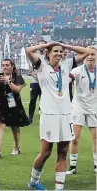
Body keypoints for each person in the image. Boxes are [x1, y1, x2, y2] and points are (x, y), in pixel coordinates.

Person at [25, 42, 91, 190]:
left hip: (66, 115)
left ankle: (59, 188)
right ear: (48, 53)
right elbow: (28, 50)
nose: (59, 53)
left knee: (63, 152)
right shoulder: (41, 65)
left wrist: (64, 45)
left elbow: (86, 51)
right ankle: (33, 182)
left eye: (61, 51)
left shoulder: (67, 65)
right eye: (55, 51)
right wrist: (48, 44)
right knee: (46, 152)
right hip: (49, 115)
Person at [66, 46, 97, 175]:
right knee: (74, 138)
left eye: (93, 54)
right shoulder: (78, 70)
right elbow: (69, 78)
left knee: (95, 139)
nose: (90, 57)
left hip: (94, 107)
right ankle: (72, 167)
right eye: (87, 54)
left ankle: (96, 166)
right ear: (83, 56)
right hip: (78, 107)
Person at [0, 59, 30, 157]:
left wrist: (8, 82)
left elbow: (17, 90)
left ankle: (16, 147)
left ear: (12, 66)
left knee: (14, 126)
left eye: (7, 65)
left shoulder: (17, 76)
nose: (5, 67)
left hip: (13, 104)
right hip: (1, 104)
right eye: (3, 65)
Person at [28, 40, 46, 123]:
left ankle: (45, 116)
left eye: (43, 45)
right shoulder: (34, 56)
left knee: (45, 99)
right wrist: (36, 75)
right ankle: (30, 117)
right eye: (40, 45)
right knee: (33, 99)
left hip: (45, 82)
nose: (41, 47)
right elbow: (31, 69)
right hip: (35, 81)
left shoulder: (48, 56)